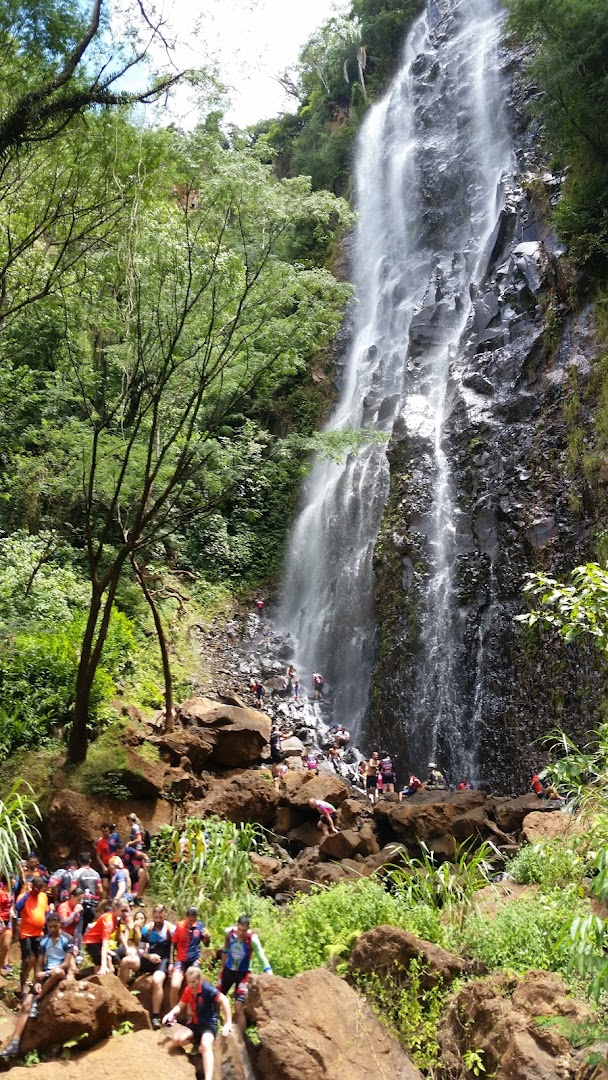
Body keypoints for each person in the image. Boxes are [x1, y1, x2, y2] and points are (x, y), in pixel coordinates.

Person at [1, 912, 76, 1061]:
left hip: (59, 972)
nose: (53, 929)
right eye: (50, 927)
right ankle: (15, 1042)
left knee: (58, 972)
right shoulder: (43, 941)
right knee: (26, 1004)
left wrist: (47, 972)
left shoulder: (68, 939)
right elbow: (39, 964)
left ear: (60, 924)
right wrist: (37, 980)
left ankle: (38, 1000)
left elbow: (67, 963)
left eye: (55, 926)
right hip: (47, 974)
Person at [162, 966, 232, 1079]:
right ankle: (195, 1040)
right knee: (177, 1040)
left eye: (194, 981)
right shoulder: (188, 990)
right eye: (189, 982)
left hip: (209, 1024)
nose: (191, 984)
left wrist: (228, 1023)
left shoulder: (207, 989)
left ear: (199, 979)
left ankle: (208, 1077)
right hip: (195, 1023)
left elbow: (224, 1000)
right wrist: (171, 1013)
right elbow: (181, 1005)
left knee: (206, 1045)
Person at [120, 904, 175, 1028]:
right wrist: (148, 956)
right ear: (152, 916)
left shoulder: (170, 929)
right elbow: (140, 950)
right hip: (149, 958)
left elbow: (177, 947)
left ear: (165, 915)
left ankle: (155, 1015)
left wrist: (172, 963)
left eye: (161, 917)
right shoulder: (147, 929)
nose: (158, 920)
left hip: (163, 960)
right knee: (125, 961)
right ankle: (121, 993)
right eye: (156, 917)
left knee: (157, 980)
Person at [218, 916, 271, 1033]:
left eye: (244, 930)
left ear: (248, 929)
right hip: (228, 970)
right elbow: (225, 950)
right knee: (217, 998)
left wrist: (269, 972)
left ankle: (242, 1038)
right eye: (239, 929)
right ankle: (215, 1025)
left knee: (238, 1006)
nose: (241, 933)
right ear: (236, 926)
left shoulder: (252, 939)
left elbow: (261, 956)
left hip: (243, 974)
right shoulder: (229, 933)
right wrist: (221, 968)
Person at [169, 906, 211, 1007]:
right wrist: (171, 962)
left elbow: (206, 944)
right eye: (190, 920)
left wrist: (207, 937)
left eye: (194, 920)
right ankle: (173, 1014)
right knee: (175, 985)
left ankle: (191, 1015)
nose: (192, 922)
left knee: (193, 986)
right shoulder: (179, 926)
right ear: (186, 917)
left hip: (195, 959)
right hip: (181, 959)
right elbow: (172, 945)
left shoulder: (200, 926)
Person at [15, 876, 49, 993]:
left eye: (40, 889)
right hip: (26, 933)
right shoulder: (24, 897)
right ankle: (23, 984)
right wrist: (28, 893)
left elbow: (46, 912)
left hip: (39, 932)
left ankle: (37, 983)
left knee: (40, 958)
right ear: (32, 887)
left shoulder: (43, 896)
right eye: (36, 889)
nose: (38, 891)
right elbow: (17, 907)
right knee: (26, 960)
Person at [83, 899, 130, 974]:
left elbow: (120, 933)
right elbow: (105, 945)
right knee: (102, 965)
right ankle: (95, 976)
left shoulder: (117, 918)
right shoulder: (108, 922)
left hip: (99, 941)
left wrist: (127, 947)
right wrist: (103, 966)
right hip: (92, 942)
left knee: (112, 967)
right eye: (123, 910)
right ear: (115, 909)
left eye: (127, 911)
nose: (125, 913)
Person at [72, 851, 102, 933]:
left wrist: (68, 896)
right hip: (92, 903)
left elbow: (73, 887)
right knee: (89, 926)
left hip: (80, 904)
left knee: (79, 926)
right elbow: (100, 889)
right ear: (90, 861)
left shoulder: (77, 873)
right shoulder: (96, 874)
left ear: (79, 861)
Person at [0, 874, 13, 975]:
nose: (15, 881)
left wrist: (12, 911)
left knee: (6, 944)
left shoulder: (10, 892)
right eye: (13, 879)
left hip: (8, 921)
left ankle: (1, 964)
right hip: (1, 920)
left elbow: (11, 904)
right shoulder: (0, 893)